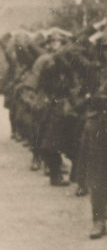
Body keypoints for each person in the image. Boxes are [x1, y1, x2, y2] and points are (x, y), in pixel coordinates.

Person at [58, 29, 107, 239]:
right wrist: (92, 31)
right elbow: (68, 52)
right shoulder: (91, 69)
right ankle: (99, 221)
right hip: (99, 122)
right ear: (100, 50)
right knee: (99, 174)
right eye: (106, 48)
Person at [22, 28, 77, 186]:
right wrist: (32, 97)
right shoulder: (44, 60)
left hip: (69, 103)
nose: (54, 45)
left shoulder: (70, 58)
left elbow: (77, 80)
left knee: (74, 142)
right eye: (51, 42)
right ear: (47, 45)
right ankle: (55, 174)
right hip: (51, 103)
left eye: (57, 41)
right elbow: (34, 78)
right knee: (48, 144)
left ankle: (76, 173)